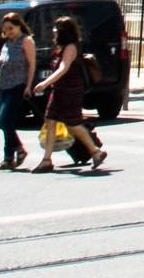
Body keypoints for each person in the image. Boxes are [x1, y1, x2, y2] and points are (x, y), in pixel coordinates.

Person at [29, 15, 107, 173]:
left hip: (70, 90)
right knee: (50, 120)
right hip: (59, 90)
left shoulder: (71, 47)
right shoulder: (61, 47)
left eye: (57, 29)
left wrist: (45, 83)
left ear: (65, 31)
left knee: (73, 123)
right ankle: (47, 160)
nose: (54, 31)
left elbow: (63, 68)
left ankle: (95, 152)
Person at [0, 11, 34, 171]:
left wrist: (29, 85)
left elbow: (32, 65)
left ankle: (19, 149)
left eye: (11, 28)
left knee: (3, 120)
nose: (9, 32)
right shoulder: (6, 44)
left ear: (19, 26)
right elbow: (0, 67)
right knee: (6, 122)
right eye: (6, 30)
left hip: (17, 85)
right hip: (3, 86)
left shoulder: (26, 41)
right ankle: (8, 158)